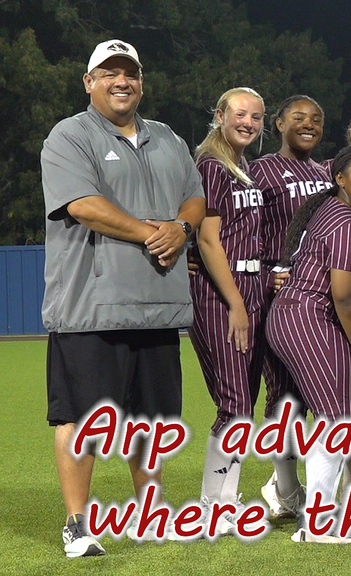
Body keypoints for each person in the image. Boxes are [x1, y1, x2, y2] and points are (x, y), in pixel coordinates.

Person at [40, 39, 205, 557]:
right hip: (91, 306)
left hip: (157, 304)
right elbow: (84, 205)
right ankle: (77, 524)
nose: (121, 81)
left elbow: (195, 196)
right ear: (88, 82)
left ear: (141, 81)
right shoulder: (70, 134)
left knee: (152, 419)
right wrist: (154, 233)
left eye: (129, 73)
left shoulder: (168, 138)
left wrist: (181, 227)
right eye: (108, 73)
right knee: (81, 416)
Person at [265, 145, 351, 543]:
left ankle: (287, 493)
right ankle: (315, 522)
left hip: (287, 315)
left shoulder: (327, 210)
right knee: (337, 421)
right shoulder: (349, 222)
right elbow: (346, 296)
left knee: (306, 414)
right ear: (340, 179)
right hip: (309, 316)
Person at [249, 95, 332, 519]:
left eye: (316, 119)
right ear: (279, 123)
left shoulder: (327, 172)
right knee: (284, 397)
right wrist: (264, 273)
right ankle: (286, 488)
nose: (308, 125)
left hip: (323, 297)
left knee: (323, 395)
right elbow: (241, 229)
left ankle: (307, 488)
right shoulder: (259, 169)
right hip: (279, 297)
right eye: (298, 117)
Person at [189, 87, 267, 525]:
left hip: (250, 288)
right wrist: (236, 303)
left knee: (240, 403)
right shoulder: (211, 166)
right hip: (224, 295)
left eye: (256, 117)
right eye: (240, 114)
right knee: (235, 403)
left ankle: (220, 500)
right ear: (219, 115)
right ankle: (216, 504)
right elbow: (207, 239)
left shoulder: (243, 166)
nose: (248, 123)